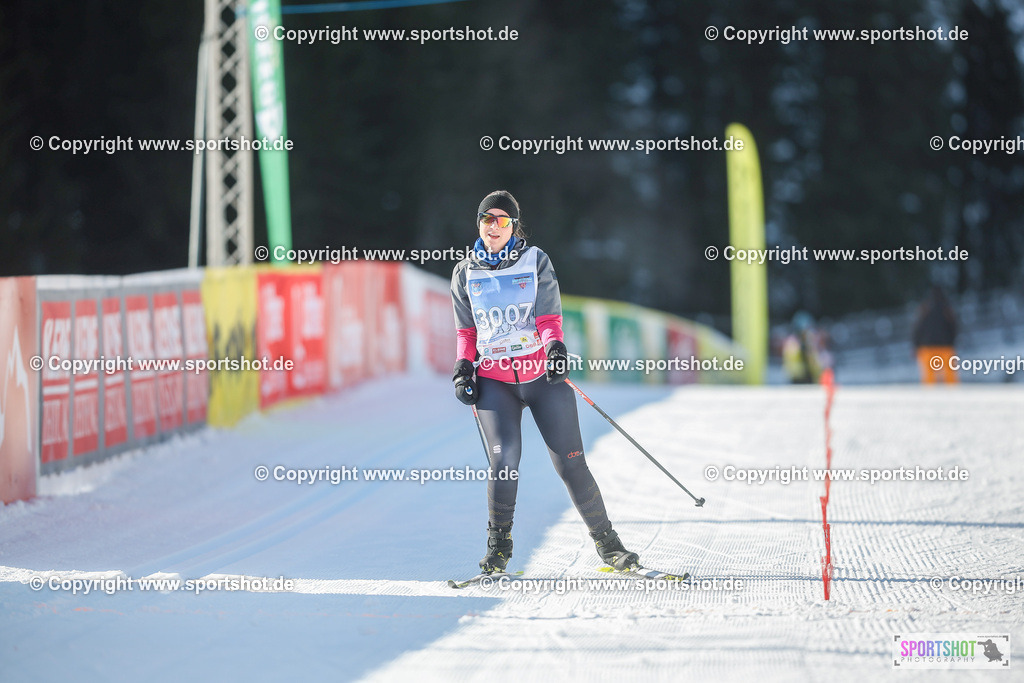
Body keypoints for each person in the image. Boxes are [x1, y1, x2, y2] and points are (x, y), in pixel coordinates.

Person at [449, 190, 639, 573]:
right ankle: (498, 548)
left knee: (571, 463)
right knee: (505, 464)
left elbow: (549, 318)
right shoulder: (464, 272)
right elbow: (467, 331)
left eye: (502, 221)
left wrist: (555, 350)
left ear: (514, 226)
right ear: (479, 225)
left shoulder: (535, 261)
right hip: (494, 381)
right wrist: (463, 368)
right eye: (487, 219)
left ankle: (609, 545)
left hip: (540, 376)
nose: (494, 227)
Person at [912, 286, 958, 384]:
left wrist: (916, 346)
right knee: (950, 376)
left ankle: (929, 397)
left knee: (929, 378)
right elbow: (953, 327)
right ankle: (954, 395)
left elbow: (918, 329)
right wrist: (952, 342)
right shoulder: (947, 309)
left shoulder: (925, 309)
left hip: (927, 347)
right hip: (945, 346)